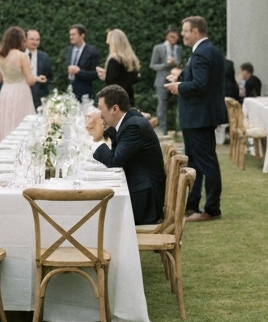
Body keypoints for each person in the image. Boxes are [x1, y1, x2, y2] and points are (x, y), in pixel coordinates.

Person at [166, 15, 226, 222]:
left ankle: (211, 209)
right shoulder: (212, 51)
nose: (182, 34)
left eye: (185, 31)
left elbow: (200, 85)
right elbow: (206, 82)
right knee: (196, 163)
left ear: (196, 31)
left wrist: (178, 87)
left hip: (198, 117)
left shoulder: (201, 53)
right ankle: (192, 204)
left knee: (206, 163)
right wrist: (181, 78)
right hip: (201, 115)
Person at [88, 85, 166, 225]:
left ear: (115, 109)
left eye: (100, 108)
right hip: (140, 190)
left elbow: (115, 161)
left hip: (144, 203)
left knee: (95, 217)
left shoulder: (133, 126)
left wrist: (98, 139)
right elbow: (115, 136)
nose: (98, 113)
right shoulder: (129, 119)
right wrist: (98, 129)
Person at [0, 26, 38, 143]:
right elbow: (30, 80)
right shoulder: (22, 56)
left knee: (6, 122)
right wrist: (36, 78)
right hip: (21, 93)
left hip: (6, 92)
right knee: (21, 123)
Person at [150, 27, 184, 133]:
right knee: (162, 105)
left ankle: (180, 130)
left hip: (176, 79)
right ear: (167, 36)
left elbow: (181, 64)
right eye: (171, 36)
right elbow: (153, 65)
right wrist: (166, 65)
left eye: (175, 36)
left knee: (180, 104)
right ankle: (162, 130)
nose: (173, 38)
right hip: (162, 80)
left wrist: (176, 63)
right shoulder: (158, 48)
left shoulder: (179, 49)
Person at [96, 29, 141, 110]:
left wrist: (105, 76)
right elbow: (133, 78)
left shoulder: (114, 60)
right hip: (129, 97)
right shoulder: (131, 60)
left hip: (116, 100)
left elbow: (112, 82)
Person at [64, 24, 99, 101]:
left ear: (82, 35)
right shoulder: (68, 50)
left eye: (73, 35)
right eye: (70, 35)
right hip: (69, 92)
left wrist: (79, 72)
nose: (71, 37)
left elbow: (95, 74)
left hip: (84, 93)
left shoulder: (91, 52)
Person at [25, 29, 53, 109]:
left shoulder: (44, 57)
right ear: (25, 40)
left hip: (40, 95)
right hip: (23, 92)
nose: (35, 42)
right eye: (32, 39)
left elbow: (49, 77)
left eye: (37, 40)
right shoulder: (20, 55)